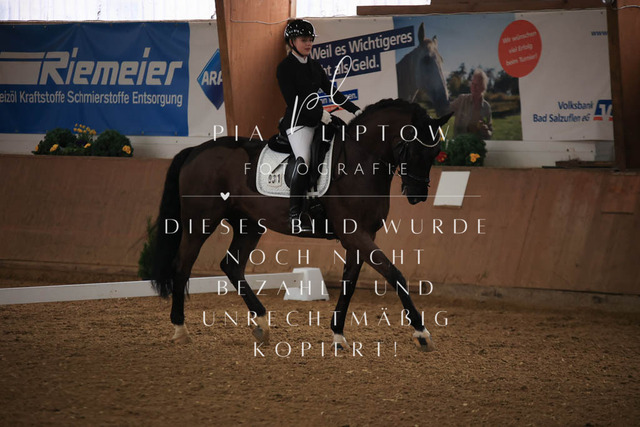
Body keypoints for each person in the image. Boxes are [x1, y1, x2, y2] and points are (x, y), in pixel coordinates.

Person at [277, 19, 361, 226]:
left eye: (310, 40)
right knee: (304, 161)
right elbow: (293, 101)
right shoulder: (285, 68)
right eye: (304, 40)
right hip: (298, 123)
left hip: (319, 118)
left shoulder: (314, 66)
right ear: (292, 41)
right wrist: (318, 115)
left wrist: (355, 110)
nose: (309, 44)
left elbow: (332, 91)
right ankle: (295, 214)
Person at [449, 68, 493, 139]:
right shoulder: (461, 100)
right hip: (460, 142)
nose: (474, 87)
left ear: (483, 87)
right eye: (472, 83)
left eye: (477, 85)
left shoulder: (486, 107)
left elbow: (490, 132)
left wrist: (486, 131)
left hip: (477, 143)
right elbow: (446, 110)